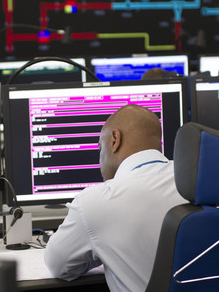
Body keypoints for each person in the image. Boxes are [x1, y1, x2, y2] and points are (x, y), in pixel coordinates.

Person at [44, 104, 186, 292]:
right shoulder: (199, 182)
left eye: (99, 147)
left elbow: (58, 266)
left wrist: (102, 251)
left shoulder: (94, 202)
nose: (100, 157)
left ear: (114, 140)